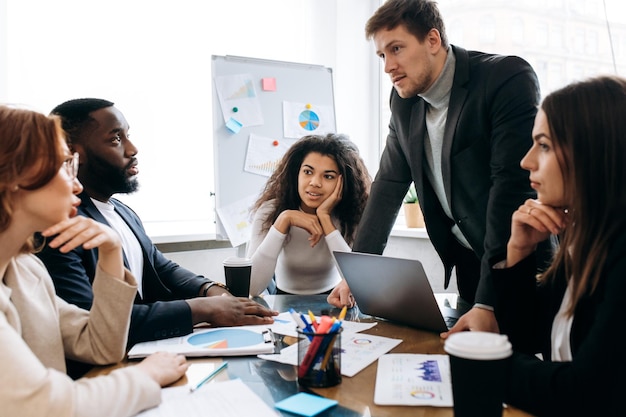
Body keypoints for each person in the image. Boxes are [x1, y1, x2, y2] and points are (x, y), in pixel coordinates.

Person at [327, 0, 552, 336]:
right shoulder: (402, 103)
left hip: (518, 262)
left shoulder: (504, 78)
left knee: (522, 366)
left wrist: (488, 303)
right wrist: (356, 275)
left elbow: (510, 190)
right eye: (381, 56)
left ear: (433, 40)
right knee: (467, 370)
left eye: (397, 49)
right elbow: (388, 186)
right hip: (468, 265)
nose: (388, 66)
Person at [36, 98, 278, 354]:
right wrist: (201, 309)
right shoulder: (60, 226)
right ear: (74, 153)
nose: (133, 149)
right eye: (116, 139)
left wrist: (210, 290)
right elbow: (90, 321)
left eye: (128, 135)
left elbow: (161, 268)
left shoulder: (124, 212)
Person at [0, 105, 188, 416]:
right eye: (64, 164)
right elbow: (46, 407)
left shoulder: (26, 270)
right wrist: (147, 374)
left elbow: (100, 345)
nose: (76, 184)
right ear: (14, 177)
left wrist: (111, 253)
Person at [491, 75, 626, 416]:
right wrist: (519, 252)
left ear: (592, 152)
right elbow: (526, 338)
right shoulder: (581, 235)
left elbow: (584, 393)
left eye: (545, 145)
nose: (527, 161)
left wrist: (482, 362)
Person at [247, 133, 371, 296]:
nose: (315, 182)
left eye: (328, 176)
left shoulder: (352, 214)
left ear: (343, 182)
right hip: (282, 303)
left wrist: (325, 219)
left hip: (333, 302)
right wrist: (284, 220)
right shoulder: (269, 211)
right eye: (307, 172)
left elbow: (358, 284)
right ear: (296, 173)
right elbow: (251, 286)